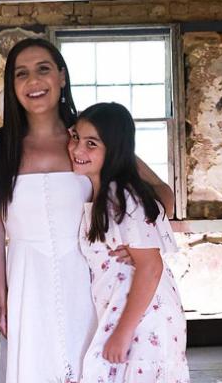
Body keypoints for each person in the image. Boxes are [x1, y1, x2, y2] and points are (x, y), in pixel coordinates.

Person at [0, 38, 175, 383]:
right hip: (26, 280)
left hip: (90, 280)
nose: (33, 81)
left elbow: (161, 193)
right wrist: (2, 298)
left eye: (43, 69)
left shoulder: (87, 142)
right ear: (12, 86)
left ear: (62, 77)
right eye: (21, 74)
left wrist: (135, 241)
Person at [69, 102, 189, 383]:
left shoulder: (120, 197)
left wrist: (122, 333)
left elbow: (150, 267)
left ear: (114, 150)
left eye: (91, 144)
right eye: (75, 137)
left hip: (141, 322)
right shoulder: (107, 195)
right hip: (126, 314)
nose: (77, 150)